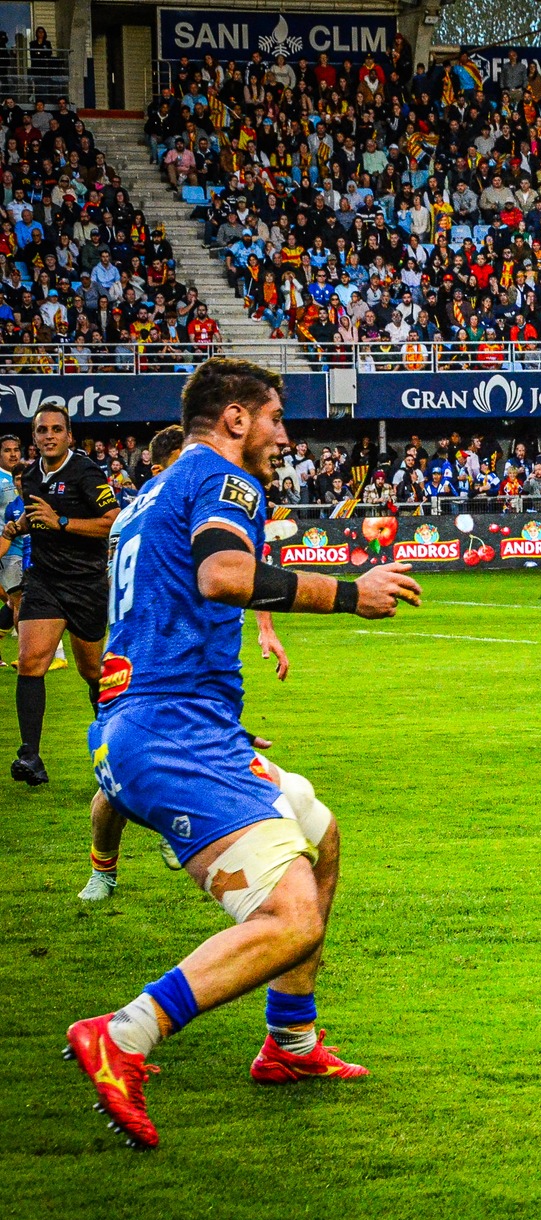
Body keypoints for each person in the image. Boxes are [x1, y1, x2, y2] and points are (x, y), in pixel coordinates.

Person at [67, 357, 422, 1150]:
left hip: (158, 720)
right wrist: (349, 592)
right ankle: (124, 1035)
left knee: (320, 834)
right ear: (235, 419)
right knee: (290, 917)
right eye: (273, 417)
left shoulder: (153, 491)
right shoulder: (227, 482)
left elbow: (157, 607)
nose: (282, 435)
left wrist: (205, 711)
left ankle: (290, 1044)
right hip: (172, 733)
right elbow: (224, 575)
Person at [79, 425, 293, 903]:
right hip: (158, 670)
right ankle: (106, 868)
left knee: (135, 775)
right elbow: (212, 579)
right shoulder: (175, 505)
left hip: (182, 670)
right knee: (118, 789)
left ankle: (180, 828)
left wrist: (264, 628)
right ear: (161, 468)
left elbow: (245, 568)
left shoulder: (144, 513)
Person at [5, 403, 118, 785]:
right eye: (42, 430)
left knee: (92, 673)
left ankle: (114, 747)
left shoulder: (86, 472)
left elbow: (112, 521)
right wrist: (18, 526)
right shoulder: (31, 475)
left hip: (85, 584)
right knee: (30, 661)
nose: (49, 435)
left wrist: (62, 521)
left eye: (56, 429)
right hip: (45, 581)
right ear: (33, 437)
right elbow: (37, 516)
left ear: (69, 436)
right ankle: (30, 757)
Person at [0, 433, 22, 666]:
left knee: (13, 601)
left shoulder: (25, 475)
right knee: (18, 600)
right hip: (6, 549)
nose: (13, 454)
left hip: (27, 546)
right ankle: (26, 652)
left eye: (16, 449)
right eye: (7, 450)